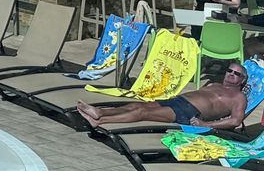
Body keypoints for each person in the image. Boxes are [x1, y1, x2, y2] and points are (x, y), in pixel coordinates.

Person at [77, 62, 252, 130]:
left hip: (189, 112)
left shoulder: (239, 97)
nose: (231, 74)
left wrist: (205, 124)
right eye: (229, 70)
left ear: (242, 80)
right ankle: (100, 112)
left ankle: (100, 121)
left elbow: (236, 121)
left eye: (236, 74)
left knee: (142, 114)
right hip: (178, 101)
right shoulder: (214, 85)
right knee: (137, 106)